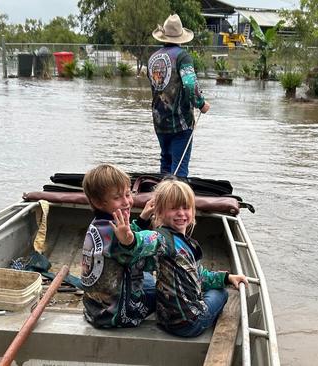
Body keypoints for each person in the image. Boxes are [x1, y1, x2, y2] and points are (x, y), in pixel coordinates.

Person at [110, 179, 247, 337]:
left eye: (186, 208)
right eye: (174, 208)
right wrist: (130, 241)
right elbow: (145, 240)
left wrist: (227, 277)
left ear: (192, 211)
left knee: (202, 282)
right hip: (189, 324)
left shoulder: (178, 242)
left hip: (164, 319)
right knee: (221, 293)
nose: (181, 213)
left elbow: (198, 274)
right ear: (160, 212)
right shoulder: (163, 239)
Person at [80, 164, 158, 328]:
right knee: (165, 288)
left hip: (94, 308)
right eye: (117, 198)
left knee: (149, 280)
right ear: (98, 202)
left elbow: (127, 241)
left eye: (128, 194)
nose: (127, 202)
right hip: (119, 314)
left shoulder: (99, 224)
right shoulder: (115, 234)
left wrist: (143, 219)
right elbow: (148, 258)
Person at [147, 14, 211, 177]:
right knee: (179, 167)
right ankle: (177, 199)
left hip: (159, 121)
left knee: (166, 164)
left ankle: (163, 197)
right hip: (180, 122)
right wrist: (201, 104)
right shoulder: (182, 56)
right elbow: (190, 84)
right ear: (181, 37)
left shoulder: (153, 58)